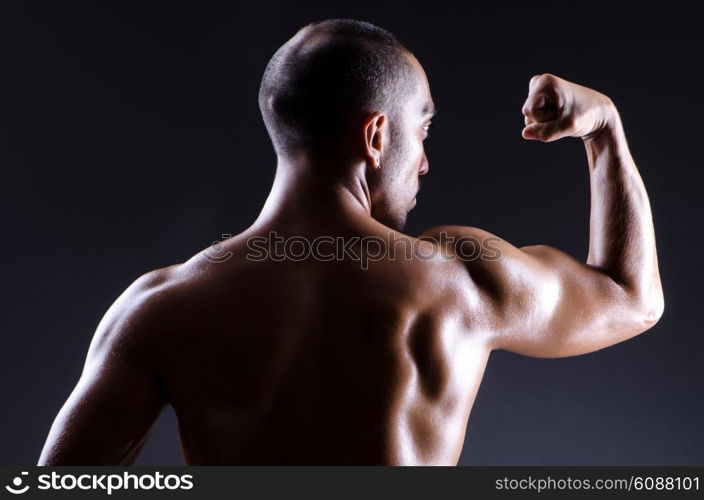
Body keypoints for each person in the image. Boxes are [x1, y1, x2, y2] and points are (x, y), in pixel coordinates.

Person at [38, 19, 664, 465]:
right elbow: (632, 297)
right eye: (422, 132)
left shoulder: (163, 306)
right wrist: (604, 128)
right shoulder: (458, 278)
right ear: (375, 137)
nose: (423, 163)